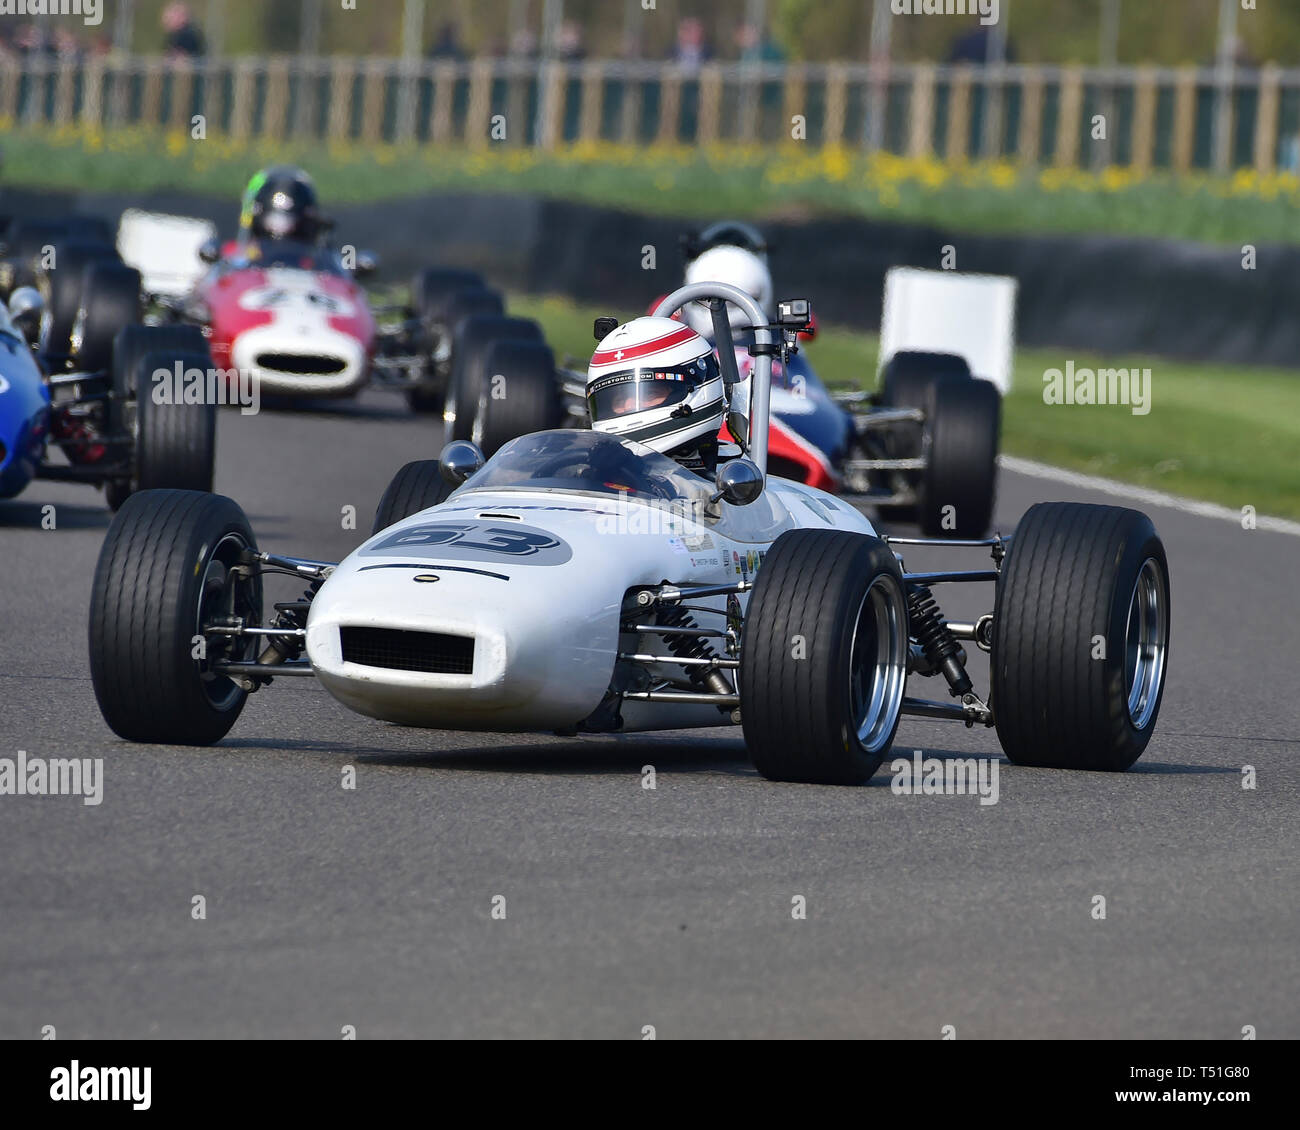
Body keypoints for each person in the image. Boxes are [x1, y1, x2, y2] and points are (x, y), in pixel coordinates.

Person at [586, 318, 729, 478]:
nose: (628, 405)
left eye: (648, 394)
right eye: (618, 400)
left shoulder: (737, 483)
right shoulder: (587, 471)